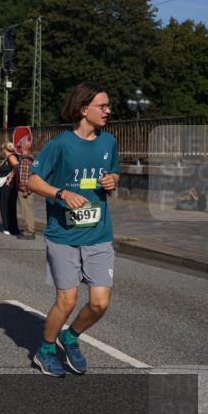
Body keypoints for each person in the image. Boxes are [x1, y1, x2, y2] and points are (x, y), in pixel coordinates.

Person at [27, 82, 119, 377]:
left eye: (107, 106)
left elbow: (114, 171)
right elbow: (32, 180)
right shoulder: (60, 144)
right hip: (63, 236)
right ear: (83, 109)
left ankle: (71, 337)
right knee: (66, 302)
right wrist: (61, 194)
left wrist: (112, 181)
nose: (108, 111)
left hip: (98, 234)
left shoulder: (109, 142)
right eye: (102, 106)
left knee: (100, 303)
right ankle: (45, 349)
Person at [10, 136, 37, 239]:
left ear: (24, 148)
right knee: (28, 209)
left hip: (25, 190)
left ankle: (29, 231)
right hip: (30, 189)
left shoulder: (25, 160)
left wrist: (24, 189)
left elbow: (24, 176)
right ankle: (30, 229)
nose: (18, 148)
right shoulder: (32, 157)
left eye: (20, 146)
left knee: (26, 210)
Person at [0, 142, 22, 236]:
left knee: (6, 206)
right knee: (10, 206)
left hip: (8, 186)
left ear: (4, 149)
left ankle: (8, 227)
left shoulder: (10, 157)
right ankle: (12, 227)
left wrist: (11, 175)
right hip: (9, 186)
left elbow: (16, 166)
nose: (2, 151)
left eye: (2, 149)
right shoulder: (11, 157)